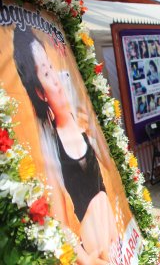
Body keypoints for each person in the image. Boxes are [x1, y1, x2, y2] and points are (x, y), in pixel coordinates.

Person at [13, 27, 119, 264]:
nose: (57, 80)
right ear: (40, 92)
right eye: (47, 74)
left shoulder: (83, 121)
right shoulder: (52, 147)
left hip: (114, 237)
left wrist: (93, 126)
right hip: (96, 249)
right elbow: (59, 220)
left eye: (52, 67)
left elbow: (111, 167)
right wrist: (86, 260)